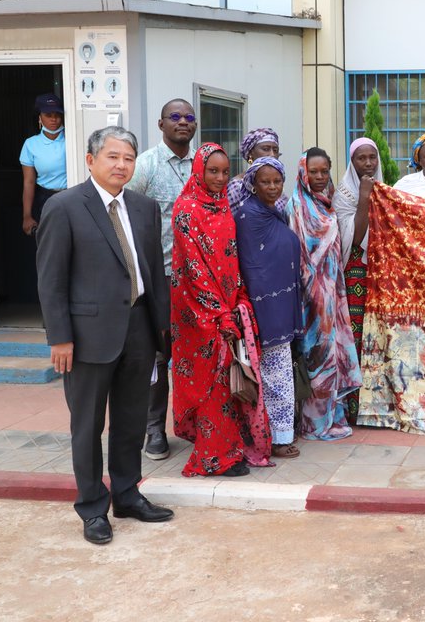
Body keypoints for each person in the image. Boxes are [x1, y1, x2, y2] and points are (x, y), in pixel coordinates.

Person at [36, 126, 173, 545]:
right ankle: (93, 507)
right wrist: (60, 337)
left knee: (132, 420)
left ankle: (128, 494)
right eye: (112, 156)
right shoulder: (64, 207)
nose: (121, 165)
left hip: (137, 329)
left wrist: (160, 330)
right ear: (91, 160)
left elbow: (153, 272)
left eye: (128, 158)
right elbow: (51, 278)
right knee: (88, 425)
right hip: (85, 335)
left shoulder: (144, 206)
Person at [171, 143, 272, 479]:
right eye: (212, 171)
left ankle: (228, 449)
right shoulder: (186, 209)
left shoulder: (223, 204)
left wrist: (239, 298)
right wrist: (220, 313)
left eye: (225, 172)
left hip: (228, 306)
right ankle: (213, 458)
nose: (219, 178)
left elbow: (230, 258)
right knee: (212, 383)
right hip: (199, 312)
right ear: (199, 170)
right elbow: (195, 269)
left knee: (229, 383)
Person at [126, 97, 196, 462]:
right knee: (158, 357)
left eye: (188, 117)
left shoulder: (201, 164)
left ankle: (198, 424)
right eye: (175, 117)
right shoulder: (145, 166)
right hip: (160, 279)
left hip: (197, 281)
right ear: (160, 124)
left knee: (197, 356)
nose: (182, 122)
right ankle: (155, 429)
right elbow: (125, 214)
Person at [288, 149, 362, 440]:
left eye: (324, 172)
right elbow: (299, 258)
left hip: (333, 293)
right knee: (315, 354)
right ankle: (313, 423)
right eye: (314, 172)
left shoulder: (327, 203)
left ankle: (333, 416)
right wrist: (316, 297)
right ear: (303, 172)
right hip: (311, 299)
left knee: (332, 355)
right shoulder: (297, 205)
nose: (319, 178)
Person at [234, 157, 301, 459]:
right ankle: (277, 438)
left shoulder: (275, 212)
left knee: (279, 373)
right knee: (274, 375)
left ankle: (278, 433)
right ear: (252, 184)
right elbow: (252, 266)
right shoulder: (249, 216)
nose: (272, 187)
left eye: (277, 181)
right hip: (264, 309)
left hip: (281, 304)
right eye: (265, 181)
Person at [334, 137, 385, 359]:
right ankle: (354, 392)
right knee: (357, 331)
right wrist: (365, 196)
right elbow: (354, 238)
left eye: (372, 157)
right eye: (361, 158)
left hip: (379, 270)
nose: (368, 163)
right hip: (355, 270)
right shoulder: (343, 194)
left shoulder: (385, 190)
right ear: (352, 161)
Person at [20, 93, 67, 236]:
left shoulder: (72, 139)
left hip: (71, 196)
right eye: (48, 115)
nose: (54, 119)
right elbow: (29, 182)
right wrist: (27, 216)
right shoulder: (31, 144)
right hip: (46, 199)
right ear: (39, 117)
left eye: (57, 114)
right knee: (48, 243)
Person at [226, 127, 286, 211]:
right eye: (266, 149)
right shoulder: (237, 187)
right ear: (251, 153)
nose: (272, 154)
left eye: (275, 150)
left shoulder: (277, 183)